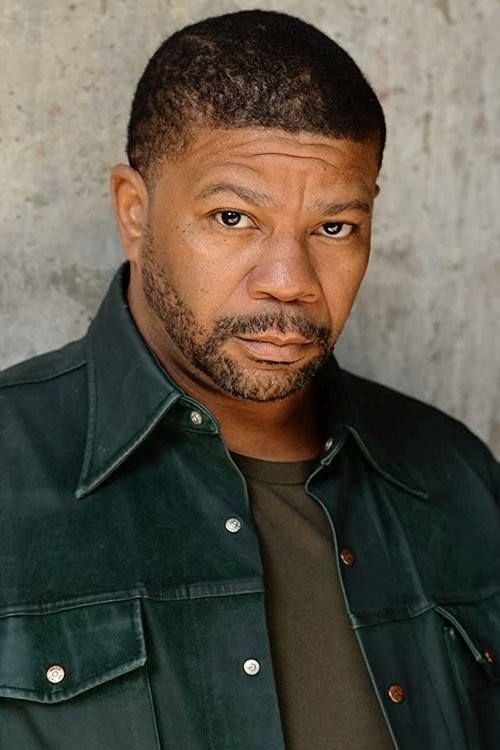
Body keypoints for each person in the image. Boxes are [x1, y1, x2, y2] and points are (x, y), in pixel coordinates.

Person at [0, 9, 498, 750]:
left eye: (334, 227)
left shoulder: (456, 476)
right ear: (134, 213)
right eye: (233, 217)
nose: (289, 281)